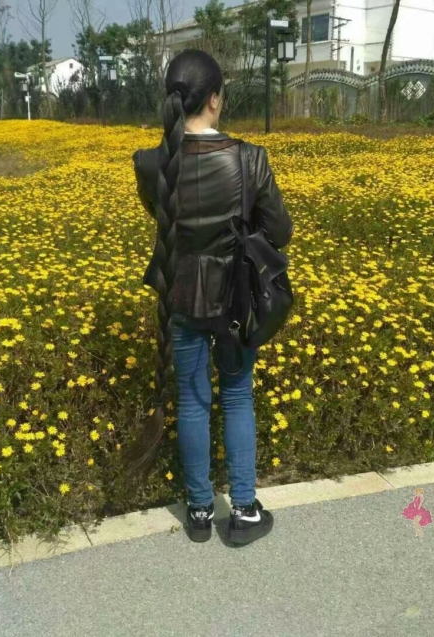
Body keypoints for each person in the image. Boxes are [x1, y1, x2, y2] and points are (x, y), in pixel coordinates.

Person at [132, 50, 293, 545]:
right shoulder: (249, 159)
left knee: (192, 401)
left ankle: (200, 511)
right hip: (235, 300)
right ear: (215, 100)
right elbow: (280, 232)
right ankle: (243, 511)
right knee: (237, 395)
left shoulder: (150, 163)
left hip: (181, 296)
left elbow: (163, 219)